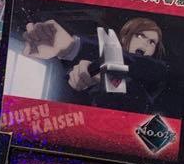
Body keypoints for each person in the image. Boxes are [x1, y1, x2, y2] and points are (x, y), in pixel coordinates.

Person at [22, 15, 172, 114]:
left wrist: (72, 47)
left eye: (152, 42)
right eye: (140, 36)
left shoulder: (158, 71)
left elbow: (135, 67)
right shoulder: (88, 65)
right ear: (125, 37)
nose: (145, 44)